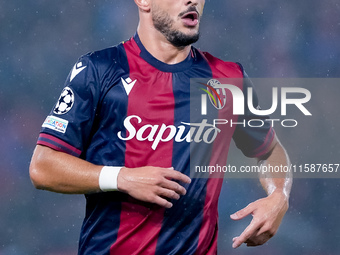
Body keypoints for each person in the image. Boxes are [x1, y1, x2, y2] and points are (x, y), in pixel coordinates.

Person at [29, 0, 292, 254]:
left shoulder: (228, 78)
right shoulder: (98, 70)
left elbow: (269, 150)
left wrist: (278, 195)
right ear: (143, 1)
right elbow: (43, 167)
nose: (193, 1)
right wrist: (121, 178)